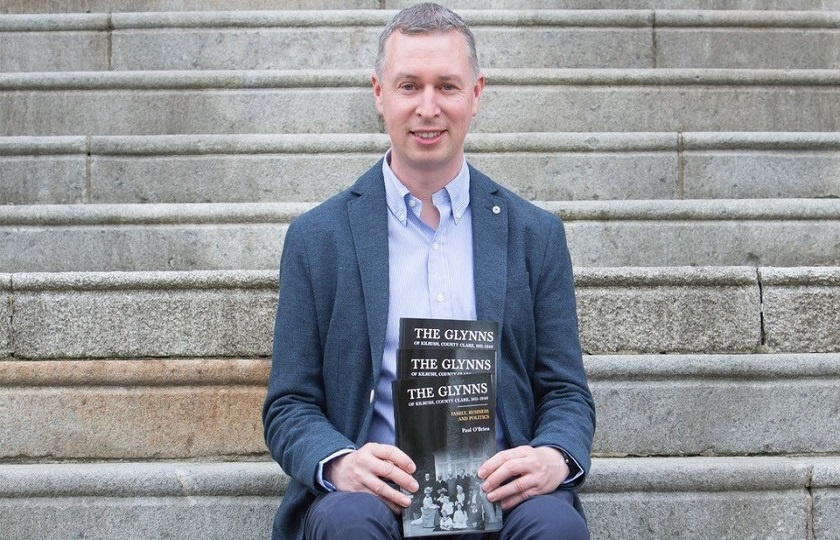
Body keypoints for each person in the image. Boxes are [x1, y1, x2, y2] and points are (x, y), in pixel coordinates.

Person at [262, 3, 595, 539]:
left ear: (477, 94)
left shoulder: (536, 235)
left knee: (555, 525)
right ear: (378, 93)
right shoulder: (316, 239)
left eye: (447, 86)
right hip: (374, 500)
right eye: (409, 85)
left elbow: (565, 391)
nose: (428, 107)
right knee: (347, 522)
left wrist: (555, 455)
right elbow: (290, 404)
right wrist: (340, 463)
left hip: (501, 494)